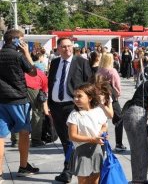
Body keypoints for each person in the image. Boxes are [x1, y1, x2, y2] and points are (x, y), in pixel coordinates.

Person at [48, 37, 92, 183]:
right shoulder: (54, 62)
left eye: (69, 46)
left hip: (72, 106)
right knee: (64, 139)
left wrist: (87, 104)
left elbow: (89, 83)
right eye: (64, 47)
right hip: (55, 106)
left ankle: (68, 170)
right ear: (58, 48)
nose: (67, 49)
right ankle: (70, 166)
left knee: (71, 139)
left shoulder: (81, 62)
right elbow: (51, 81)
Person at [0, 29, 40, 179]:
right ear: (16, 41)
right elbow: (33, 72)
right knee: (24, 132)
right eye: (22, 40)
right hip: (18, 100)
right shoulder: (18, 56)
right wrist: (27, 54)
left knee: (0, 137)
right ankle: (23, 166)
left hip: (1, 100)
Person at [67, 83, 109, 184]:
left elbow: (105, 125)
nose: (76, 99)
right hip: (82, 151)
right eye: (75, 96)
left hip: (97, 150)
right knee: (83, 180)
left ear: (90, 97)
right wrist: (92, 139)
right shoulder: (74, 114)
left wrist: (102, 133)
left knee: (95, 179)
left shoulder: (98, 111)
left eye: (79, 96)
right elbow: (72, 136)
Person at [96, 53, 126, 152]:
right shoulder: (112, 71)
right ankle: (118, 143)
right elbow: (117, 86)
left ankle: (101, 141)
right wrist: (117, 95)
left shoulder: (99, 70)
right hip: (110, 98)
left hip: (100, 97)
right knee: (119, 119)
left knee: (102, 120)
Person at [24, 64, 49, 147]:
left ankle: (16, 140)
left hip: (21, 87)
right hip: (34, 88)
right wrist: (46, 112)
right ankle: (36, 140)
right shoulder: (42, 74)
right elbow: (44, 96)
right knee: (37, 113)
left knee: (21, 112)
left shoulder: (24, 71)